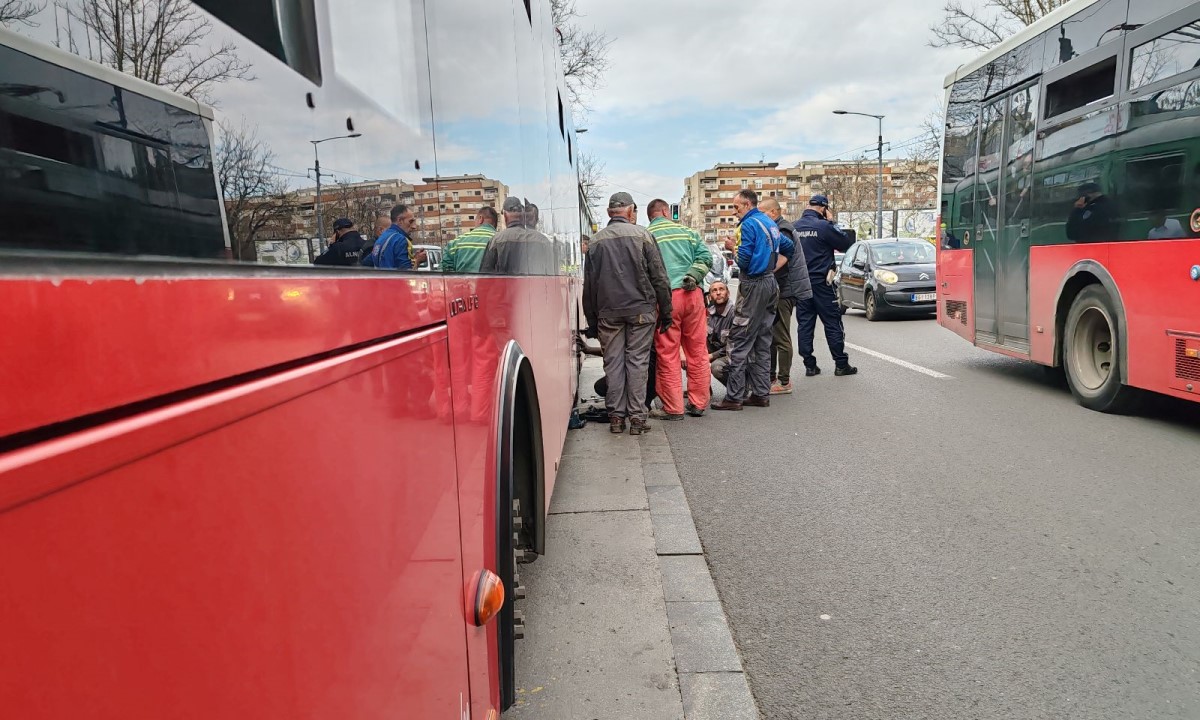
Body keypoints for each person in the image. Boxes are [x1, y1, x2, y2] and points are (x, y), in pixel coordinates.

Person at [583, 192, 672, 435]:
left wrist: (591, 321)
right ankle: (637, 419)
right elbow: (660, 278)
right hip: (641, 312)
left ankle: (616, 419)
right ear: (630, 211)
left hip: (608, 313)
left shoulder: (595, 242)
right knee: (637, 363)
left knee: (613, 364)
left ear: (610, 212)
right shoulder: (643, 235)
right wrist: (666, 313)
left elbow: (588, 286)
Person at [712, 189, 789, 411]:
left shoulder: (747, 225)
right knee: (763, 341)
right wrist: (771, 267)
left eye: (736, 208)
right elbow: (788, 247)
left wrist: (732, 248)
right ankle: (760, 393)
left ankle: (734, 397)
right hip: (769, 283)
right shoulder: (770, 223)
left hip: (753, 284)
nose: (734, 212)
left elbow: (743, 261)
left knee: (739, 339)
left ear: (747, 205)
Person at [646, 198, 713, 419]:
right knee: (698, 351)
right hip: (692, 295)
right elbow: (706, 257)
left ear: (651, 215)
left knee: (668, 353)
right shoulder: (687, 232)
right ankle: (699, 403)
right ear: (666, 211)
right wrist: (693, 275)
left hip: (665, 300)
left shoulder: (646, 235)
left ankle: (673, 408)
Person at [794, 194, 857, 376]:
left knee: (804, 324)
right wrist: (832, 222)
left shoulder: (794, 227)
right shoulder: (823, 226)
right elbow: (846, 243)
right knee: (832, 322)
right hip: (822, 282)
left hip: (801, 284)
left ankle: (809, 365)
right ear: (823, 208)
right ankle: (841, 364)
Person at [759, 197, 810, 395]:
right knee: (771, 335)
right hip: (778, 289)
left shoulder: (782, 229)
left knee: (780, 336)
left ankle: (784, 380)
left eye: (762, 212)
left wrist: (765, 272)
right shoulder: (777, 227)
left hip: (783, 290)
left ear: (773, 212)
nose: (759, 217)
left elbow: (782, 258)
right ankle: (771, 377)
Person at [480, 197, 558, 275]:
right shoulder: (542, 240)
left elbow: (485, 276)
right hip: (536, 287)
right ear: (522, 215)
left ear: (505, 216)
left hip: (505, 287)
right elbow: (553, 274)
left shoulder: (496, 240)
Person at [363, 204, 424, 269]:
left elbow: (366, 263)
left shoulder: (381, 238)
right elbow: (407, 273)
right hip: (394, 279)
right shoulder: (400, 240)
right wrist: (417, 261)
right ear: (400, 220)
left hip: (381, 278)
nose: (414, 226)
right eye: (411, 221)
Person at [443, 206, 497, 272]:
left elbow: (444, 272)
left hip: (463, 282)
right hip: (493, 282)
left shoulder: (456, 242)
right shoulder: (501, 241)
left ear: (480, 219)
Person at [706, 281, 734, 387]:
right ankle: (703, 390)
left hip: (733, 354)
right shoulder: (709, 312)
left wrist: (711, 356)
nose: (718, 293)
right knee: (691, 356)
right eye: (714, 290)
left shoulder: (734, 313)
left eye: (721, 289)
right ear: (710, 296)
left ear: (728, 293)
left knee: (716, 367)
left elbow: (735, 345)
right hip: (717, 349)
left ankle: (737, 392)